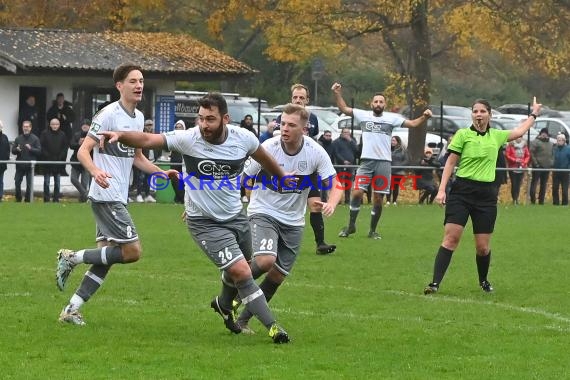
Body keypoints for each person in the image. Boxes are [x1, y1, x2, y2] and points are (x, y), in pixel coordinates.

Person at [97, 92, 293, 344]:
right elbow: (147, 138)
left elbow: (264, 159)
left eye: (209, 119)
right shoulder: (188, 139)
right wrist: (121, 135)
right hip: (203, 222)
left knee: (240, 268)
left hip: (235, 217)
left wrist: (282, 176)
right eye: (200, 118)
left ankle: (224, 304)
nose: (203, 125)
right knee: (242, 272)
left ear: (224, 118)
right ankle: (274, 327)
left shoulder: (243, 138)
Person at [55, 63, 176, 326]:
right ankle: (70, 257)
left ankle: (71, 309)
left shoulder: (139, 119)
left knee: (107, 257)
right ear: (119, 86)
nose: (139, 85)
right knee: (132, 252)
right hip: (105, 193)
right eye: (133, 81)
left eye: (141, 80)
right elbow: (83, 151)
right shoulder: (107, 114)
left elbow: (138, 157)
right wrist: (96, 171)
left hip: (117, 194)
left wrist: (160, 173)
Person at [235, 103, 344, 333]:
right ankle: (233, 285)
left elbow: (336, 184)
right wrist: (250, 198)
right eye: (282, 123)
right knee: (265, 260)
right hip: (264, 212)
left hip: (294, 222)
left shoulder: (315, 152)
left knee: (276, 275)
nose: (284, 128)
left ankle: (242, 319)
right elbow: (245, 178)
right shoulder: (268, 147)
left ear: (304, 130)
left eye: (291, 125)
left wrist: (331, 203)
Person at [423, 97, 541, 295]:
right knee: (451, 238)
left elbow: (520, 131)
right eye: (475, 111)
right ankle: (434, 283)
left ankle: (484, 281)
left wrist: (534, 114)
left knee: (483, 248)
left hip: (486, 196)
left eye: (482, 111)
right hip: (462, 191)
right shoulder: (462, 135)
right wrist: (442, 189)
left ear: (489, 115)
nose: (478, 114)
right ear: (472, 114)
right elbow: (450, 163)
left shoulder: (496, 136)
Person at [332, 82, 432, 239]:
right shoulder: (363, 115)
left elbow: (413, 124)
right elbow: (344, 109)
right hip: (366, 162)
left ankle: (372, 230)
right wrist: (337, 94)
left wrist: (424, 117)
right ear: (372, 104)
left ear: (385, 104)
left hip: (384, 163)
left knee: (379, 198)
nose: (378, 104)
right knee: (357, 192)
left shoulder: (391, 118)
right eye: (376, 101)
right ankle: (351, 226)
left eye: (381, 102)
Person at [276, 83, 335, 254]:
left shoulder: (313, 118)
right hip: (285, 170)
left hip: (307, 170)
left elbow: (313, 142)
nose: (298, 100)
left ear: (307, 100)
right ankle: (274, 238)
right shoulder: (283, 117)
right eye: (295, 97)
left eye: (302, 97)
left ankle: (320, 244)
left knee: (315, 206)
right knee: (283, 204)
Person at [40, 118, 69, 202]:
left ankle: (56, 199)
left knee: (57, 182)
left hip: (58, 162)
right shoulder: (44, 133)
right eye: (53, 124)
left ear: (59, 125)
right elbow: (42, 146)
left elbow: (65, 147)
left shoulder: (62, 134)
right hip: (47, 162)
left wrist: (61, 157)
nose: (55, 126)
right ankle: (46, 199)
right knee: (46, 182)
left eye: (56, 124)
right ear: (50, 125)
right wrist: (47, 156)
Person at [12, 120, 41, 202]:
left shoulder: (35, 139)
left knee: (29, 184)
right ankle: (18, 198)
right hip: (20, 165)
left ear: (30, 128)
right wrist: (16, 149)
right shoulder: (18, 138)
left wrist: (31, 149)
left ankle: (27, 199)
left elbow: (39, 151)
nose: (26, 128)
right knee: (17, 182)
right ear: (22, 127)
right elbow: (13, 151)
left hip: (30, 165)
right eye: (24, 126)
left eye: (27, 126)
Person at [332, 127, 359, 204]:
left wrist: (351, 141)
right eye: (345, 132)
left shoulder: (352, 141)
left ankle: (347, 200)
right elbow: (336, 153)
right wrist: (343, 161)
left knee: (348, 183)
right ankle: (338, 200)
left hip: (351, 166)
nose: (346, 134)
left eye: (348, 132)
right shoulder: (336, 142)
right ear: (341, 133)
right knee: (339, 184)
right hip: (340, 166)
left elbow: (356, 150)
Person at [134, 119, 158, 203]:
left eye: (151, 125)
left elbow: (158, 148)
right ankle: (139, 195)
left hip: (152, 160)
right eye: (148, 125)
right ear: (144, 126)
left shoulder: (155, 135)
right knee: (140, 178)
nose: (149, 126)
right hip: (142, 160)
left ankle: (147, 195)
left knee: (148, 179)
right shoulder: (142, 135)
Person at [70, 119, 92, 202]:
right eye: (83, 124)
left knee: (84, 183)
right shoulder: (76, 135)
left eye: (87, 125)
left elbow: (94, 148)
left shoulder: (92, 136)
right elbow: (71, 145)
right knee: (73, 179)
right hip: (76, 161)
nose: (85, 126)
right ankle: (86, 195)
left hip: (86, 162)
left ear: (90, 126)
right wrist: (78, 144)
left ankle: (82, 201)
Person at [529, 128, 553, 205]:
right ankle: (533, 200)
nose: (544, 135)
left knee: (543, 185)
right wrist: (536, 164)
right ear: (540, 134)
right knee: (534, 184)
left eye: (545, 133)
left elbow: (552, 154)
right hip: (537, 167)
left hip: (547, 167)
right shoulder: (535, 142)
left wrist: (551, 163)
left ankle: (541, 201)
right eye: (543, 133)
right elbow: (531, 153)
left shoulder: (550, 143)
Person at [505, 137, 530, 205]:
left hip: (521, 167)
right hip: (513, 167)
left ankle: (516, 198)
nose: (518, 139)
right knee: (514, 184)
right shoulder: (510, 145)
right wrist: (515, 160)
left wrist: (523, 162)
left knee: (519, 184)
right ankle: (514, 198)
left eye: (520, 137)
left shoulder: (524, 146)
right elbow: (507, 155)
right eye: (517, 137)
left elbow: (527, 155)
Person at [387, 136, 408, 206]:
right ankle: (388, 201)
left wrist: (399, 166)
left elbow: (406, 160)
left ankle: (394, 201)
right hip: (389, 170)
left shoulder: (402, 150)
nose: (392, 142)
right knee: (389, 185)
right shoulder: (387, 149)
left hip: (398, 171)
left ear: (398, 142)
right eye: (392, 140)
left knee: (395, 186)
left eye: (394, 141)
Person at [169, 120, 186, 204]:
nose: (178, 129)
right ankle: (178, 198)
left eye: (180, 127)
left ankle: (181, 199)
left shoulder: (187, 138)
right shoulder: (171, 138)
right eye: (177, 127)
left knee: (183, 184)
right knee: (175, 181)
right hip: (174, 163)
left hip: (184, 164)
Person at [552, 133, 570, 206]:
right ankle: (556, 203)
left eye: (560, 140)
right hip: (556, 171)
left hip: (565, 172)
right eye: (558, 140)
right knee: (555, 188)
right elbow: (551, 158)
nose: (559, 141)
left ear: (564, 141)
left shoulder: (568, 149)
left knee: (564, 189)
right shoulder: (554, 149)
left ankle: (565, 204)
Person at [0, 120, 10, 201]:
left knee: (0, 181)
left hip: (2, 164)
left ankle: (0, 196)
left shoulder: (5, 137)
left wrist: (7, 158)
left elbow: (7, 149)